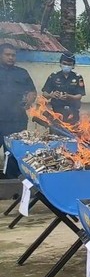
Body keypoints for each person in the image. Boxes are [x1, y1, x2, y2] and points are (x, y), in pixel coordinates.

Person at [0, 43, 36, 179]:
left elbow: (32, 92)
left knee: (14, 153)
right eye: (7, 54)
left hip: (17, 121)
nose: (11, 57)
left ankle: (13, 182)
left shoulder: (22, 73)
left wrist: (29, 100)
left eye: (13, 55)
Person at [42, 53, 85, 124]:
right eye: (64, 63)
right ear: (60, 64)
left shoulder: (78, 77)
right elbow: (45, 93)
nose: (66, 66)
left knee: (72, 133)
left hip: (73, 111)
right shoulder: (53, 76)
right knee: (55, 133)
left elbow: (79, 96)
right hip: (56, 111)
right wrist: (51, 95)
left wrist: (69, 96)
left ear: (73, 66)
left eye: (69, 64)